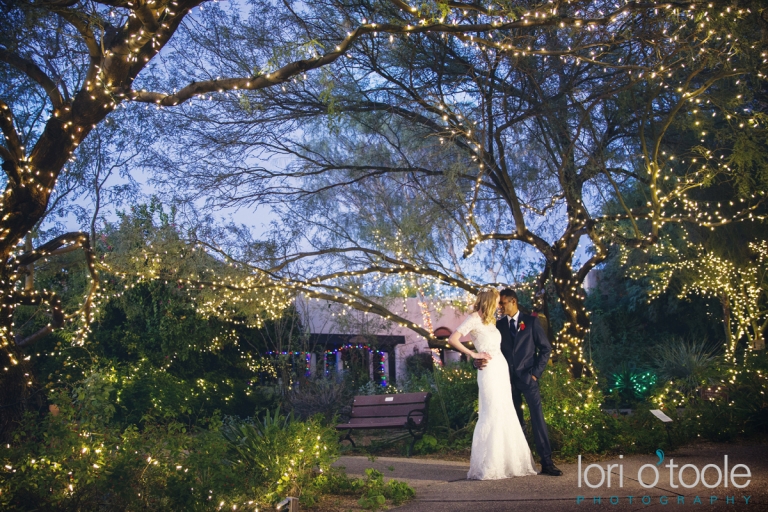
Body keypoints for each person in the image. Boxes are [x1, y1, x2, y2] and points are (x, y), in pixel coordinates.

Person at [446, 288, 538, 480]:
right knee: (491, 412)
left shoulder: (492, 321)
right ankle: (490, 465)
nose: (499, 305)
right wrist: (473, 354)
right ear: (489, 301)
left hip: (501, 368)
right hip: (488, 370)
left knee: (505, 412)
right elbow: (452, 339)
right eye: (497, 301)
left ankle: (508, 463)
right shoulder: (473, 318)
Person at [475, 288, 563, 476]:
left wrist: (535, 374)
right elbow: (487, 346)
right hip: (505, 382)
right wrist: (476, 360)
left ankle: (547, 463)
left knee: (538, 419)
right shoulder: (498, 326)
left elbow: (545, 349)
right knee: (515, 422)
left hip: (528, 379)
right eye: (499, 303)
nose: (499, 306)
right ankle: (521, 464)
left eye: (503, 302)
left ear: (513, 301)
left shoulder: (531, 322)